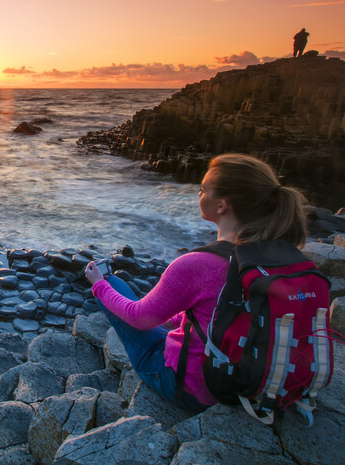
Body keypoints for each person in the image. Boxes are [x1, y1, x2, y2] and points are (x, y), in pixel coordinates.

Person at [85, 153, 307, 413]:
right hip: (258, 379)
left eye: (202, 189)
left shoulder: (198, 264)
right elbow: (224, 310)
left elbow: (140, 318)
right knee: (163, 315)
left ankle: (103, 280)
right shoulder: (285, 257)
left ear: (222, 205)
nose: (198, 195)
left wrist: (99, 285)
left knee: (115, 284)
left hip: (196, 390)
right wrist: (178, 318)